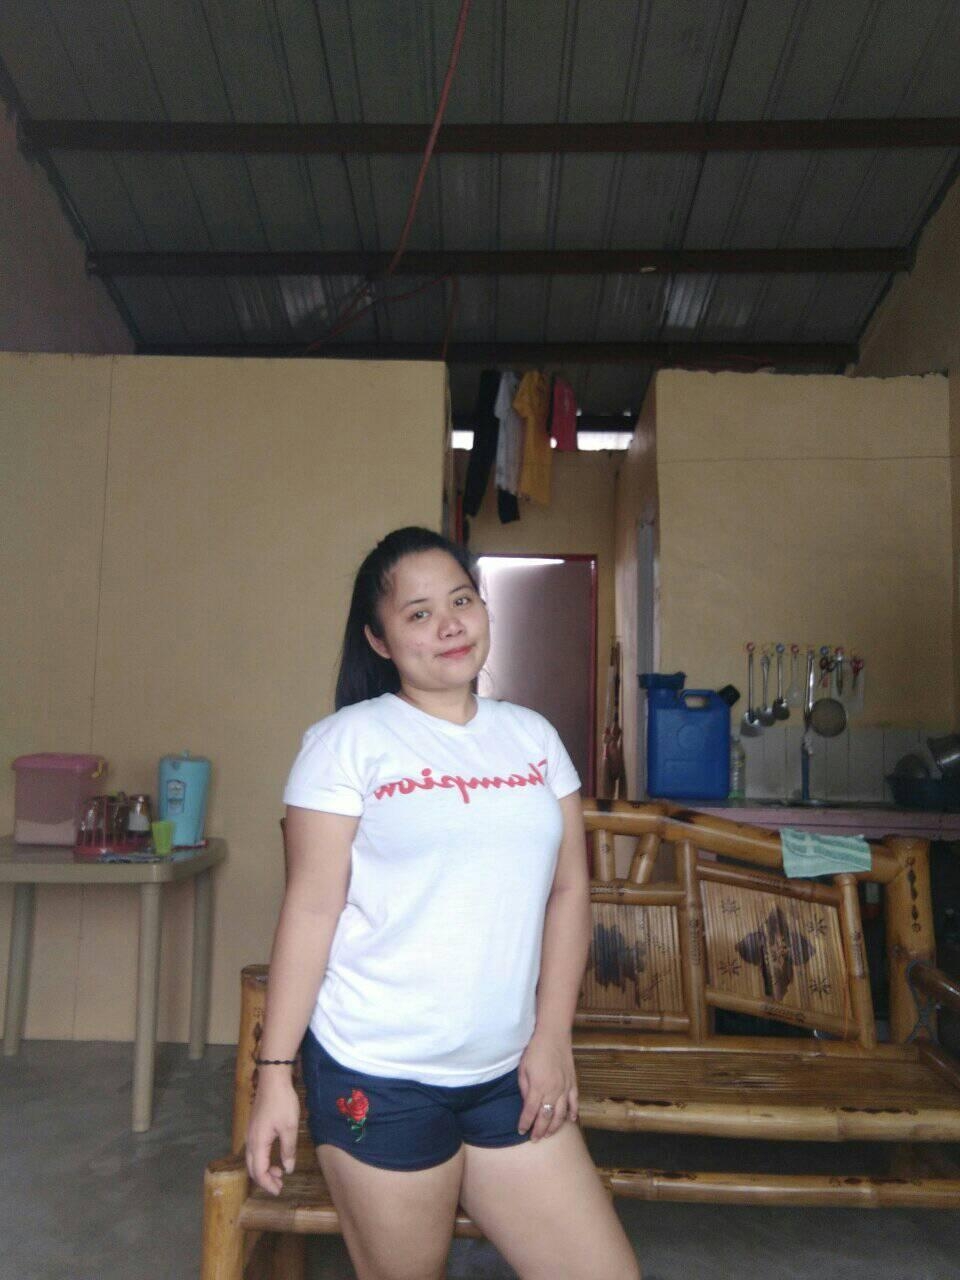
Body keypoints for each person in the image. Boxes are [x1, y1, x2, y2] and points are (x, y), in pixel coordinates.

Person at [246, 526, 641, 1280]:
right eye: (419, 613)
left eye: (461, 601)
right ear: (380, 640)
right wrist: (274, 1075)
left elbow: (568, 891)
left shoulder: (533, 738)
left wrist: (552, 1037)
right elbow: (311, 911)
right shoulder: (344, 744)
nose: (449, 625)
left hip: (507, 1072)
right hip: (378, 1072)